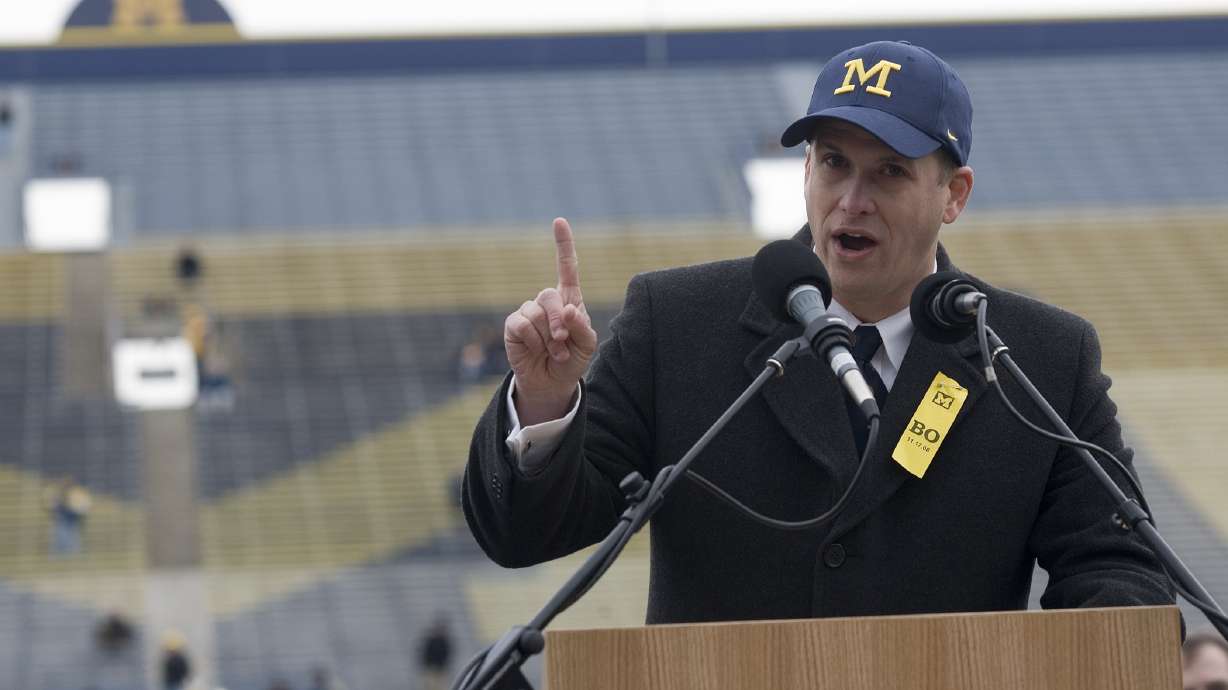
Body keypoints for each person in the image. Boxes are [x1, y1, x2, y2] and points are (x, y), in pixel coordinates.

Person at [463, 40, 1174, 624]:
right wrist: (548, 403)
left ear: (953, 194)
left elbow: (1120, 570)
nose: (851, 201)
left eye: (889, 173)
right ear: (805, 168)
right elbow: (525, 535)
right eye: (833, 163)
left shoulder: (1038, 357)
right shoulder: (677, 322)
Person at [419, 617, 453, 690]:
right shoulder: (431, 640)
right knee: (430, 686)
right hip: (431, 668)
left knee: (440, 686)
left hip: (441, 669)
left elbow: (447, 654)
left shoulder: (445, 642)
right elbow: (425, 653)